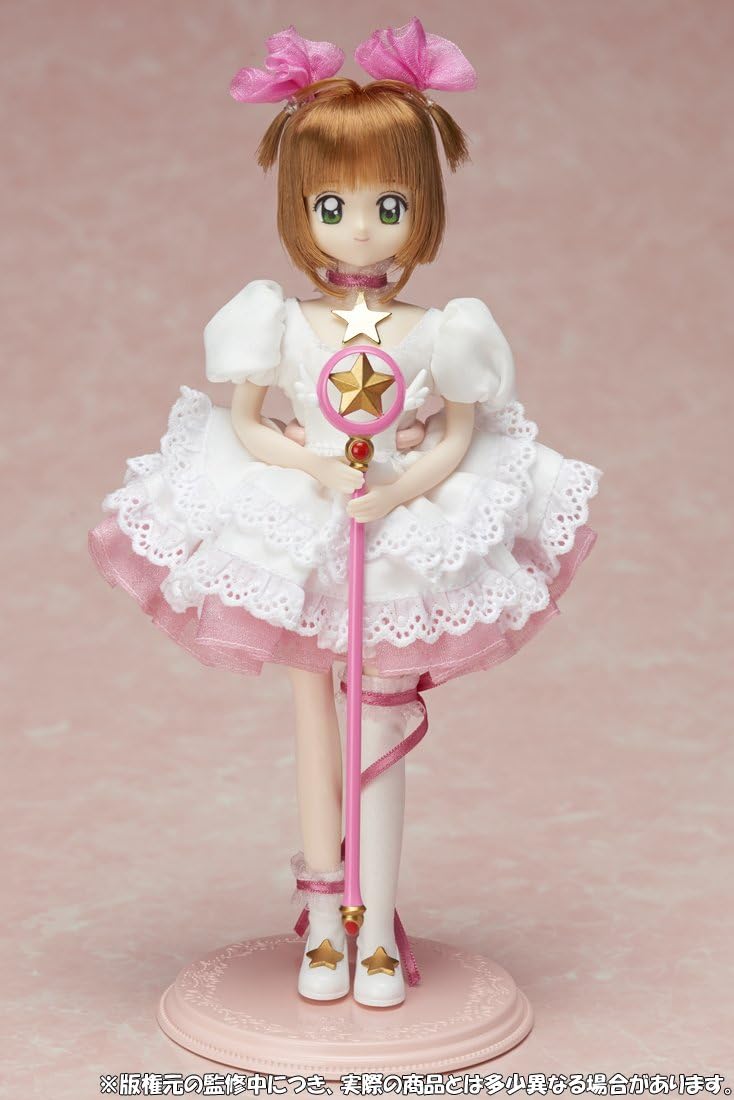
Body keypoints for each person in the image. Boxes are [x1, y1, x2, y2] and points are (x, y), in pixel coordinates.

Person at [88, 19, 602, 1009]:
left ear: (422, 208)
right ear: (299, 208)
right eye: (332, 205)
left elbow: (456, 434)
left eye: (387, 205)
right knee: (309, 717)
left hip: (396, 524)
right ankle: (326, 917)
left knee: (377, 718)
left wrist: (400, 488)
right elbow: (251, 423)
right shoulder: (276, 321)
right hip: (306, 520)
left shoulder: (442, 329)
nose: (360, 229)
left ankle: (377, 928)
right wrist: (315, 461)